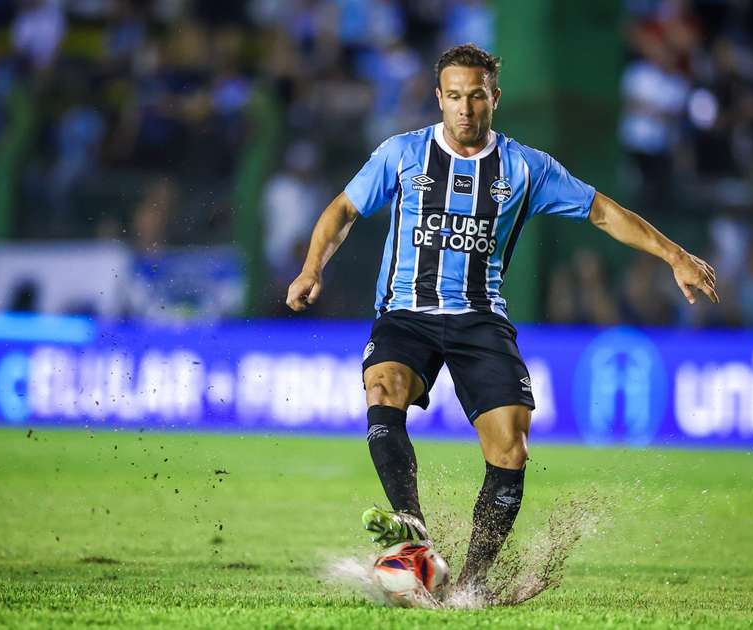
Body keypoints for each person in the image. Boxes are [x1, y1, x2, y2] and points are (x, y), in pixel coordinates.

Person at [285, 44, 718, 600]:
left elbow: (604, 212)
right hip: (406, 313)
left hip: (480, 319)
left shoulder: (524, 168)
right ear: (438, 98)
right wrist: (310, 267)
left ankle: (472, 583)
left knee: (510, 448)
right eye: (455, 97)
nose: (465, 108)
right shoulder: (400, 155)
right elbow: (343, 209)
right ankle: (412, 530)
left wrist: (675, 255)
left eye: (477, 96)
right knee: (383, 386)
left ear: (495, 98)